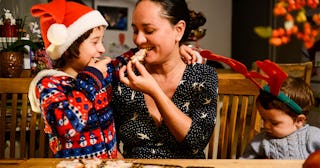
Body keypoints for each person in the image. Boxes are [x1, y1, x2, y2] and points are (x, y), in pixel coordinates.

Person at [28, 0, 197, 159]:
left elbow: (131, 57)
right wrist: (90, 79)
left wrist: (175, 47)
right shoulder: (49, 85)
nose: (102, 49)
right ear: (68, 48)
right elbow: (66, 127)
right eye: (95, 42)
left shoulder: (103, 72)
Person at [111, 0, 218, 159]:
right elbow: (110, 146)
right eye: (135, 30)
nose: (138, 40)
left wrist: (154, 91)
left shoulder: (204, 76)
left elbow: (196, 143)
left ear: (179, 30)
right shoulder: (125, 76)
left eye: (149, 30)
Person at [240, 76, 320, 159]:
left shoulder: (313, 136)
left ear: (299, 120)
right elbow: (243, 163)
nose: (266, 126)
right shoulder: (261, 140)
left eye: (274, 123)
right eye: (263, 119)